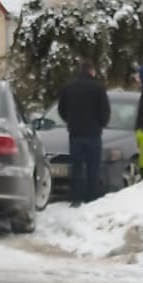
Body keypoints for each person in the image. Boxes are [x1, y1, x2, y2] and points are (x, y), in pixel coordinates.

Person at [56, 60, 110, 206]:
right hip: (93, 134)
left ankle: (75, 197)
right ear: (92, 72)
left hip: (75, 133)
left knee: (76, 166)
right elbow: (105, 111)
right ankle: (91, 197)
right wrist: (101, 124)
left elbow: (61, 109)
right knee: (93, 166)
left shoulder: (69, 87)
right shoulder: (98, 88)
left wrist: (70, 120)